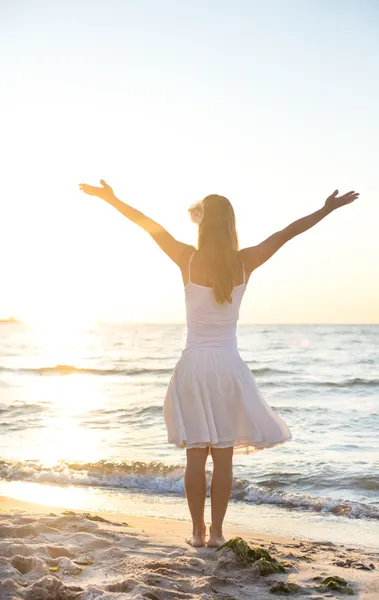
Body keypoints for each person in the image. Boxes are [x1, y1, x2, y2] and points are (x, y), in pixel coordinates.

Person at [79, 180, 359, 547]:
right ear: (231, 224)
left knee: (196, 457)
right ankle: (218, 533)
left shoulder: (186, 258)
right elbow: (287, 233)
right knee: (224, 459)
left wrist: (112, 199)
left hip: (194, 368)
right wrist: (325, 210)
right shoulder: (245, 261)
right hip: (227, 367)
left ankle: (196, 533)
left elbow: (147, 224)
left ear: (202, 224)